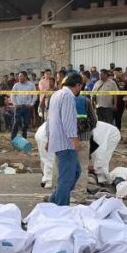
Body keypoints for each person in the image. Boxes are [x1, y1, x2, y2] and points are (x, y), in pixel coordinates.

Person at [46, 73, 83, 206]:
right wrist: (75, 140)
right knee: (66, 179)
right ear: (77, 85)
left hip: (57, 140)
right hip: (66, 143)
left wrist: (49, 137)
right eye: (80, 86)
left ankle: (53, 201)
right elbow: (68, 121)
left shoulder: (56, 94)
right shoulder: (68, 96)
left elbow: (49, 119)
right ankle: (61, 208)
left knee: (76, 171)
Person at [11, 71, 36, 140]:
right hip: (18, 107)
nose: (19, 78)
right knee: (16, 122)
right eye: (19, 76)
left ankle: (24, 138)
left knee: (26, 123)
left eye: (21, 76)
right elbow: (12, 95)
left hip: (27, 107)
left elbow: (34, 95)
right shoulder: (16, 85)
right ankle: (13, 138)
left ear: (25, 77)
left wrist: (31, 104)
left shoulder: (31, 85)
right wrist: (15, 104)